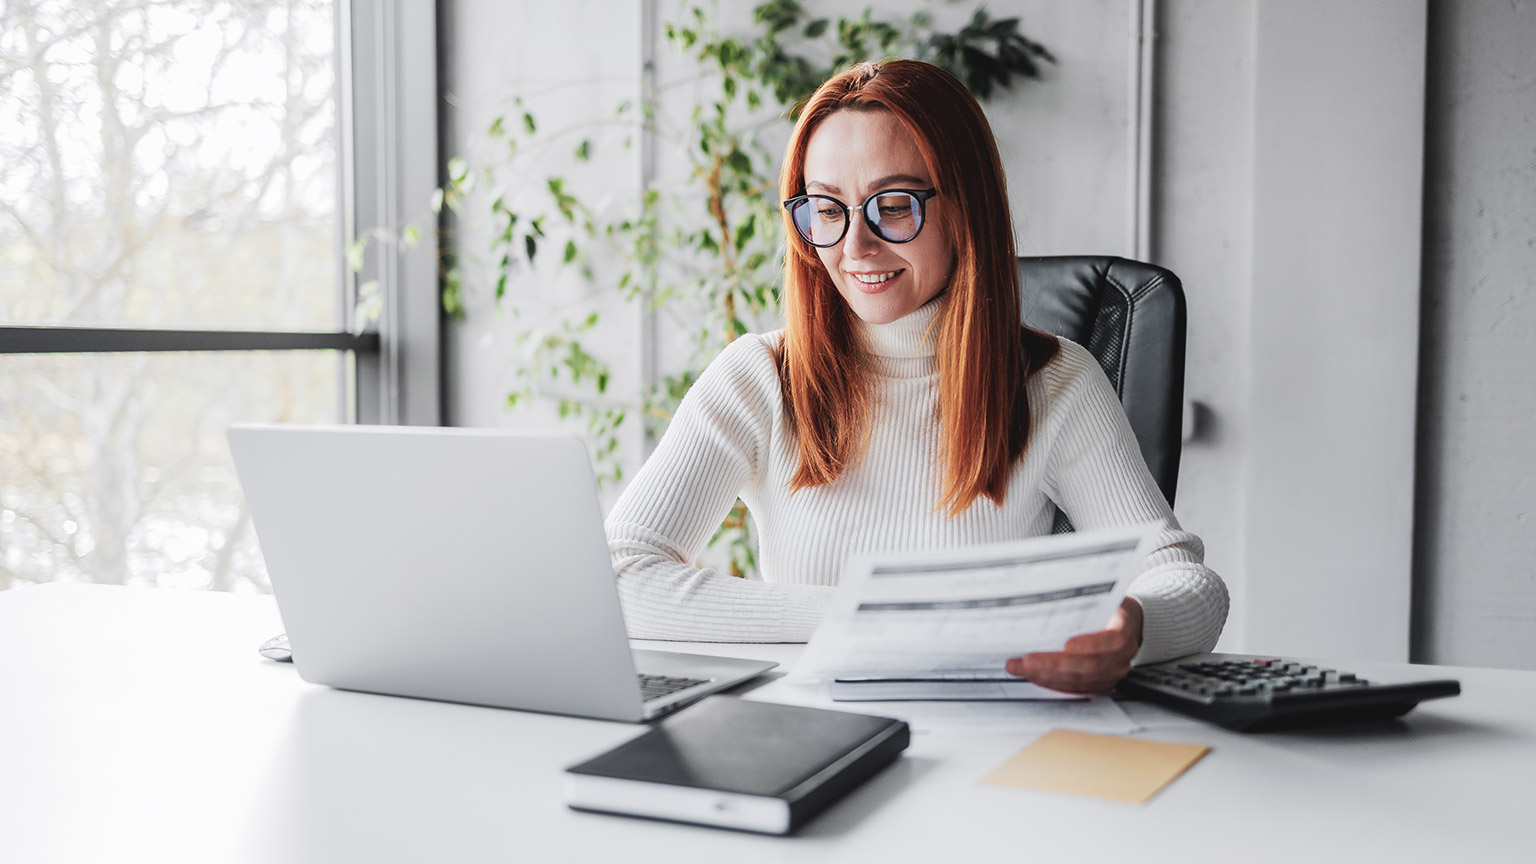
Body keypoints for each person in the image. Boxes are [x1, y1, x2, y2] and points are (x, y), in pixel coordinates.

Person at [605, 59, 1227, 695]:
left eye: (893, 206)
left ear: (965, 207)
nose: (853, 248)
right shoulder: (758, 377)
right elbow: (620, 576)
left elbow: (1184, 580)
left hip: (994, 743)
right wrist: (893, 616)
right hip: (813, 734)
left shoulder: (1054, 382)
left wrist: (1134, 625)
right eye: (826, 208)